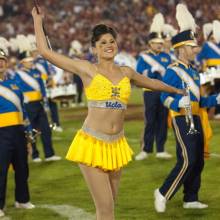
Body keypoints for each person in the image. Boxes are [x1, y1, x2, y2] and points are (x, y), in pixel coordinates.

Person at [32, 6, 184, 220]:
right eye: (102, 42)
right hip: (92, 145)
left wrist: (176, 89)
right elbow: (46, 52)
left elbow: (152, 83)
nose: (108, 45)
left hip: (116, 145)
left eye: (111, 41)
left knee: (109, 206)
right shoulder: (87, 69)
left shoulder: (126, 72)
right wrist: (38, 21)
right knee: (106, 210)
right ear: (94, 48)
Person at [154, 4, 220, 213]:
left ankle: (190, 198)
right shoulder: (172, 70)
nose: (196, 50)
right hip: (181, 118)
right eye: (192, 47)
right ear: (182, 48)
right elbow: (163, 97)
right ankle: (163, 192)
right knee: (188, 159)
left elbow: (199, 102)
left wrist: (217, 99)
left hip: (196, 117)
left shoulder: (194, 71)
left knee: (198, 160)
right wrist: (175, 103)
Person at [12, 35, 61, 163]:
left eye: (30, 60)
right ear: (23, 62)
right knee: (32, 131)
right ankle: (35, 155)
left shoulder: (36, 72)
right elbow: (18, 90)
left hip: (39, 104)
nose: (31, 62)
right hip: (28, 106)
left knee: (45, 129)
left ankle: (49, 154)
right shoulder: (18, 74)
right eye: (28, 60)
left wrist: (44, 99)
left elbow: (42, 87)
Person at [0, 40, 35, 218]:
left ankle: (22, 200)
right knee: (1, 170)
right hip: (1, 134)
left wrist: (28, 133)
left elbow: (23, 111)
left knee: (22, 167)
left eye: (2, 59)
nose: (0, 63)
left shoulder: (15, 84)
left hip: (18, 132)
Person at [135, 13, 172, 160]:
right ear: (150, 43)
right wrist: (151, 71)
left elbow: (169, 73)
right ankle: (146, 149)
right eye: (157, 43)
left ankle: (161, 149)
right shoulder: (144, 57)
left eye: (161, 43)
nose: (160, 45)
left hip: (163, 92)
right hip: (150, 92)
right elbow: (139, 74)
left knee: (162, 120)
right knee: (150, 120)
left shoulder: (166, 56)